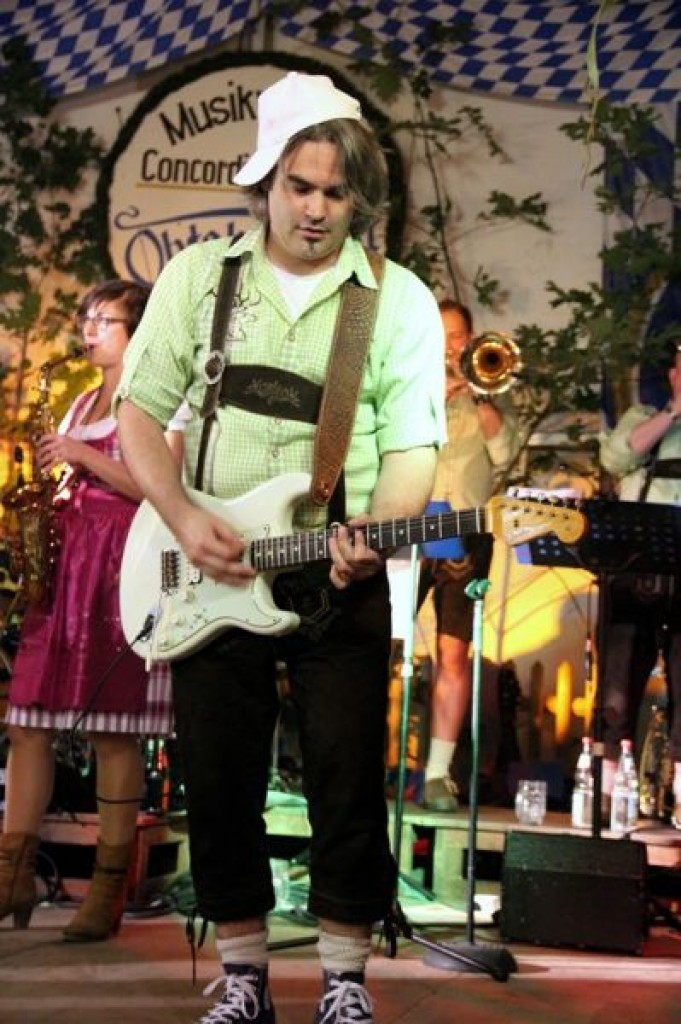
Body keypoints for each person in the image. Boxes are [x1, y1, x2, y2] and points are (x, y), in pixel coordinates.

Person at [115, 71, 446, 1024]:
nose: (315, 209)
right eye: (299, 187)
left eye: (336, 193)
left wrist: (374, 536)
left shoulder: (397, 300)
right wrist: (183, 517)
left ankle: (343, 980)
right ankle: (243, 977)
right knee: (220, 778)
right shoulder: (196, 279)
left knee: (346, 776)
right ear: (263, 183)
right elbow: (138, 416)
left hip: (337, 571)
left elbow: (412, 446)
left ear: (357, 199)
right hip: (210, 563)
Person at [0, 279, 185, 941]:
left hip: (122, 570)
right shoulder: (81, 400)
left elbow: (162, 489)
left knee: (113, 729)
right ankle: (12, 873)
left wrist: (81, 455)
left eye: (104, 320)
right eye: (86, 317)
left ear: (139, 331)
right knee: (26, 719)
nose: (88, 329)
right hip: (69, 568)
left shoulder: (160, 400)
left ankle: (108, 888)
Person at [417, 301, 523, 811]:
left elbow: (505, 455)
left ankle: (438, 774)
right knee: (375, 645)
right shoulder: (410, 382)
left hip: (466, 527)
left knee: (454, 652)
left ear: (473, 339)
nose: (450, 346)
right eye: (441, 336)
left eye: (458, 336)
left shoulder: (490, 389)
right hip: (406, 520)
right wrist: (433, 394)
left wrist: (480, 396)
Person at [599, 341, 681, 827]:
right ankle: (609, 800)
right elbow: (615, 459)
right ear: (672, 374)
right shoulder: (643, 416)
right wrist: (674, 412)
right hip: (635, 567)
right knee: (616, 688)